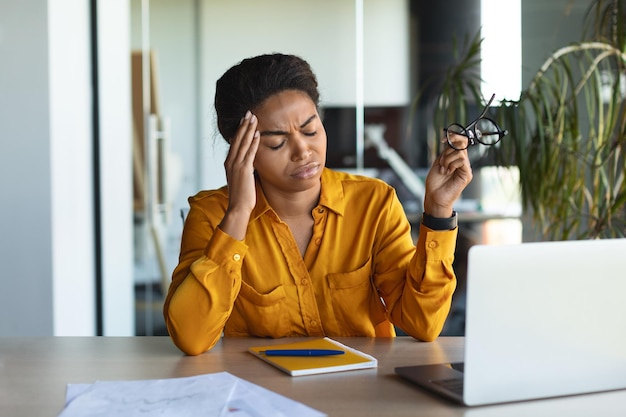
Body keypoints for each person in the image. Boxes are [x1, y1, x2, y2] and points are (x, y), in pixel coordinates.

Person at [163, 53, 473, 356]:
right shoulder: (212, 215)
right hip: (260, 396)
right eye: (277, 142)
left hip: (359, 392)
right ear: (242, 151)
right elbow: (191, 338)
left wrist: (438, 209)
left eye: (311, 130)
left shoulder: (373, 204)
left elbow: (423, 324)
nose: (303, 151)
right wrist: (239, 212)